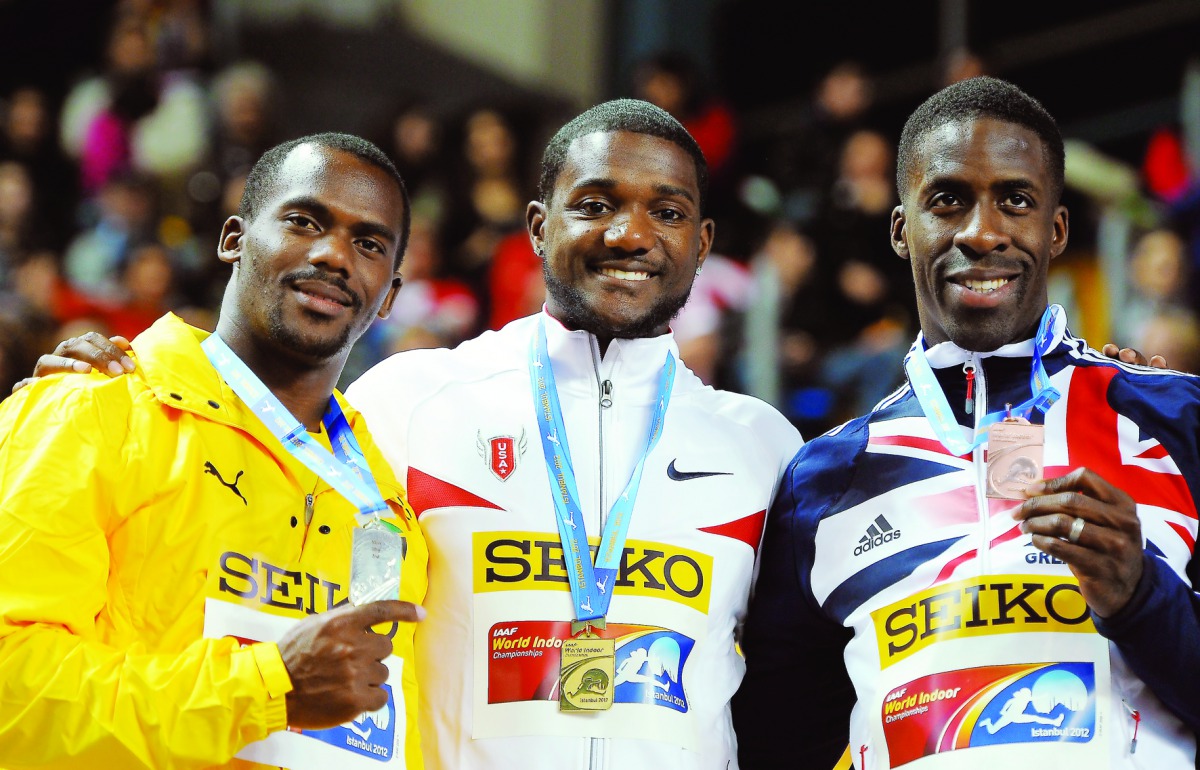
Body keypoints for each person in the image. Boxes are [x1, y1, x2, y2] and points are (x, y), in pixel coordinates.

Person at [21, 100, 803, 769]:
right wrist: (98, 389)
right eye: (595, 204)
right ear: (537, 228)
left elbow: (792, 700)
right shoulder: (406, 404)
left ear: (702, 243)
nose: (630, 235)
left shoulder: (766, 451)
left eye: (666, 212)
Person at [734, 77, 1200, 769]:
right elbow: (778, 744)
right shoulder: (824, 480)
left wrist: (1139, 597)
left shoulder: (1174, 419)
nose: (982, 232)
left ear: (1057, 229)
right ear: (901, 230)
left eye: (1016, 200)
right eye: (948, 200)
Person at [0, 133, 428, 769]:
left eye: (368, 244)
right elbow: (13, 693)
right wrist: (264, 687)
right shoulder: (91, 410)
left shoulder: (387, 500)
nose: (335, 255)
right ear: (233, 239)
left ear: (389, 294)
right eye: (304, 220)